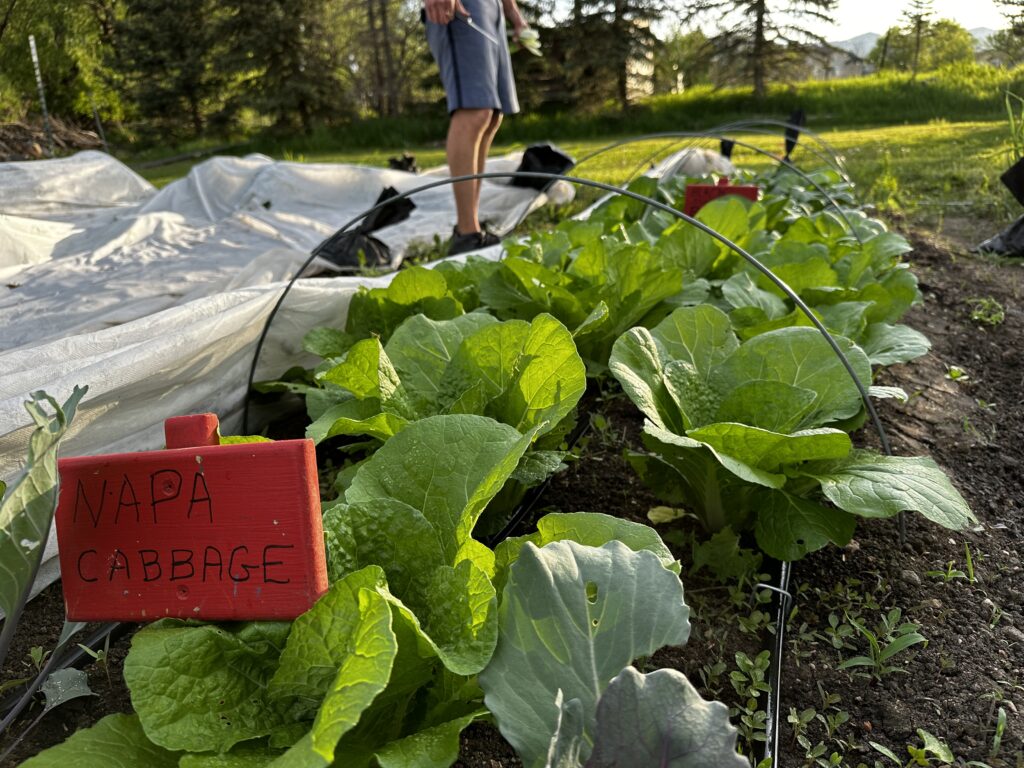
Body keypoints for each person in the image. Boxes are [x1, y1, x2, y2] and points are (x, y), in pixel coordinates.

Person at [424, 0, 528, 255]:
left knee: (491, 115)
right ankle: (467, 233)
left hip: (490, 8)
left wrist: (512, 12)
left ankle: (470, 223)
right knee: (474, 110)